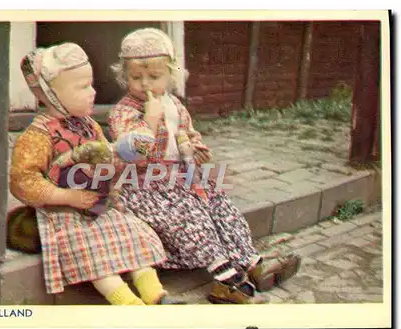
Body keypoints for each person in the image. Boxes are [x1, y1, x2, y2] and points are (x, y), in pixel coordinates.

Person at [108, 28, 301, 304]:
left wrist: (197, 149)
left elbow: (189, 134)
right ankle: (226, 282)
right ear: (124, 76)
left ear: (171, 76)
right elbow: (133, 155)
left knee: (221, 205)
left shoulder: (174, 105)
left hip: (181, 179)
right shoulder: (124, 111)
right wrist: (149, 122)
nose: (145, 84)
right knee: (192, 218)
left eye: (154, 77)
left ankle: (251, 263)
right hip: (145, 187)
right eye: (136, 77)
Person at [9, 41, 184, 305]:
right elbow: (24, 181)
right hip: (64, 211)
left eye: (90, 85)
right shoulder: (38, 136)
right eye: (82, 87)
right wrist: (67, 197)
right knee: (92, 250)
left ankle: (155, 294)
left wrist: (113, 172)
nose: (92, 92)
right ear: (50, 93)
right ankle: (127, 302)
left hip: (97, 205)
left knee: (133, 232)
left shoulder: (90, 126)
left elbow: (107, 157)